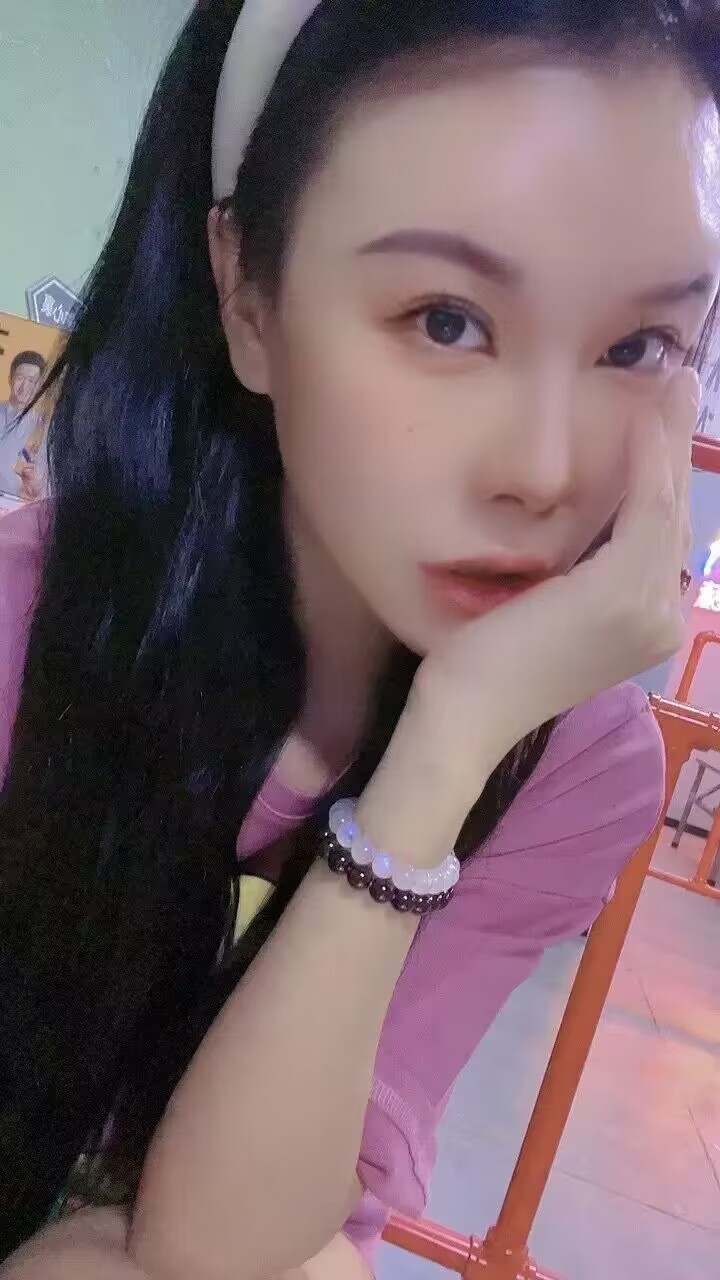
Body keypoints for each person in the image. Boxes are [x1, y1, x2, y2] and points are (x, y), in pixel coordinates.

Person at [0, 1, 717, 1277]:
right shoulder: (25, 620)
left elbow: (220, 1242)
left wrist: (445, 749)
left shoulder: (575, 762)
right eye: (446, 319)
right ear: (248, 297)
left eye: (638, 344)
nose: (545, 469)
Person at [0, 350, 47, 501]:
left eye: (32, 381)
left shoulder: (43, 427)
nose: (24, 386)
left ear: (40, 386)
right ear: (10, 379)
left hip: (15, 505)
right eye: (20, 378)